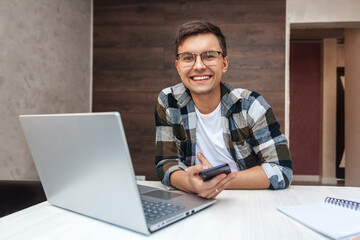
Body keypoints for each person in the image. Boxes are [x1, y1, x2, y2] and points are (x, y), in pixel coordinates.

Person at [154, 20, 292, 199]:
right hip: (194, 199)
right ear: (178, 67)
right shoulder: (168, 101)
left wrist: (216, 181)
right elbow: (166, 163)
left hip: (248, 201)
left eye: (209, 56)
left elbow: (281, 169)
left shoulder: (250, 104)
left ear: (224, 64)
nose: (198, 66)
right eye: (188, 58)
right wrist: (191, 184)